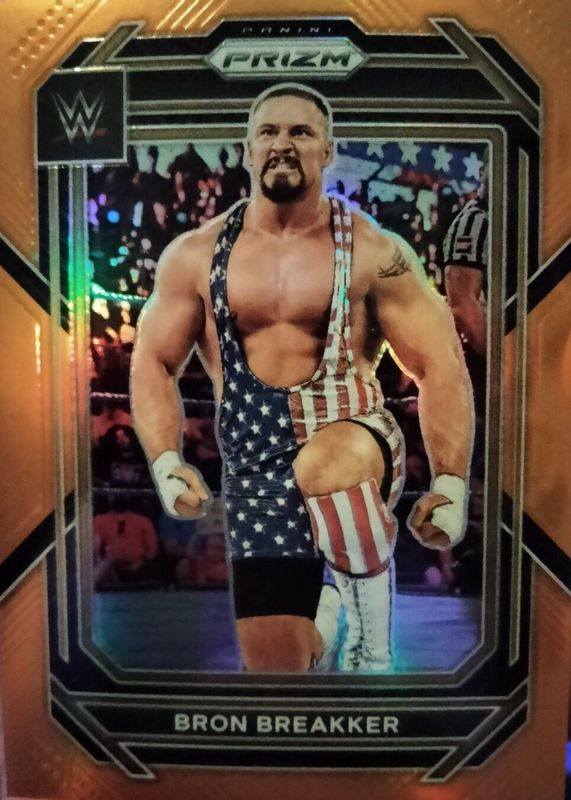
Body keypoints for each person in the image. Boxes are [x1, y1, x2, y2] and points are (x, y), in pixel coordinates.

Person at [131, 83, 474, 674]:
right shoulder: (193, 255)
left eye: (301, 132)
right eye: (269, 132)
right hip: (257, 473)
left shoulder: (375, 252)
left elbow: (439, 363)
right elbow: (153, 360)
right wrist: (166, 462)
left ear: (327, 150)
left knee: (325, 462)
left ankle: (371, 648)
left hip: (355, 440)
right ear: (248, 150)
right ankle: (329, 620)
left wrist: (450, 482)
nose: (283, 144)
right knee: (277, 673)